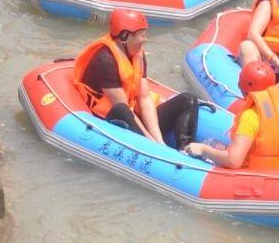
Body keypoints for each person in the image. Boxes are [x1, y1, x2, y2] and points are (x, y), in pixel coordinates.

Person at [74, 11, 199, 150]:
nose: (145, 39)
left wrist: (158, 140)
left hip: (133, 112)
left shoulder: (138, 54)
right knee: (122, 110)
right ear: (125, 36)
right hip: (111, 117)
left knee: (189, 99)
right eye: (142, 35)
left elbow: (144, 99)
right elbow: (123, 108)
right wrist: (152, 143)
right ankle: (152, 149)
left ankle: (186, 150)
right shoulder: (105, 60)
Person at [187, 60, 279, 172]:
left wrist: (204, 150)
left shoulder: (250, 117)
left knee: (207, 143)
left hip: (250, 175)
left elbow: (233, 161)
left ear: (243, 88)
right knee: (215, 144)